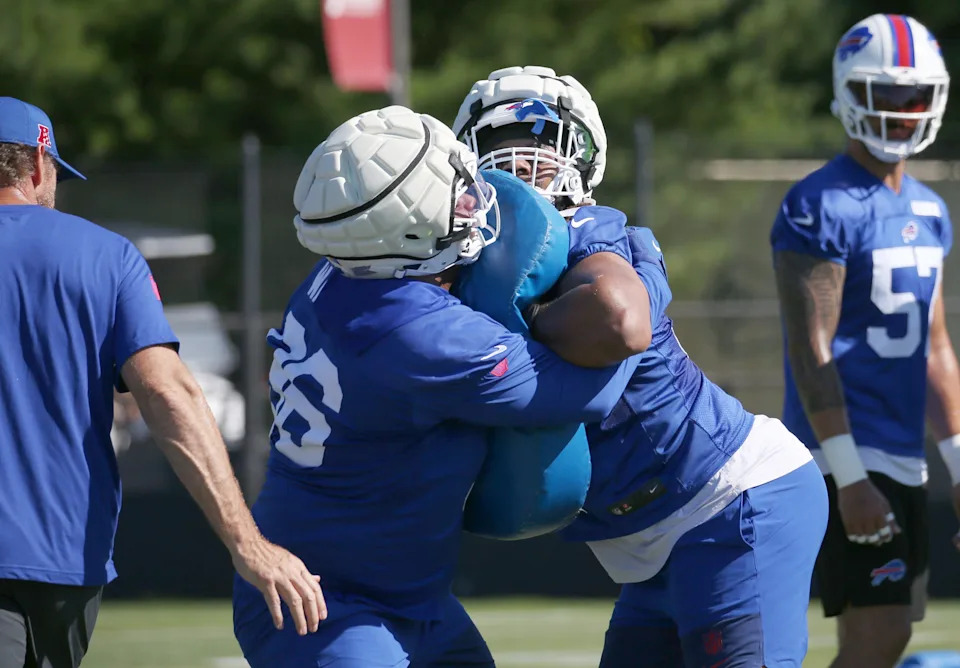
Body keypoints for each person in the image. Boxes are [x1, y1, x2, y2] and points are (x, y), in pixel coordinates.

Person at [231, 105, 644, 667]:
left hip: (406, 594)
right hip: (331, 606)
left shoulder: (341, 271)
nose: (475, 197)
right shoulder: (417, 332)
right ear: (403, 228)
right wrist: (644, 281)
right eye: (454, 191)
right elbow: (586, 389)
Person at [453, 66, 829, 667]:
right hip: (645, 540)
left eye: (543, 151)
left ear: (582, 163)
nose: (522, 166)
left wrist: (512, 325)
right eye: (501, 151)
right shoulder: (464, 273)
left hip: (729, 500)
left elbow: (620, 321)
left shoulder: (591, 233)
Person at [0, 96, 324, 668]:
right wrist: (247, 545)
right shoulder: (105, 257)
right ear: (34, 166)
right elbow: (167, 392)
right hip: (63, 560)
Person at [770, 14, 960, 668]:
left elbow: (934, 348)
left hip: (903, 451)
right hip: (843, 451)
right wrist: (848, 474)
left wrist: (958, 461)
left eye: (915, 97)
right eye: (886, 94)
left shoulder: (932, 210)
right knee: (877, 632)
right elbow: (809, 349)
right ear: (851, 92)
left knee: (893, 631)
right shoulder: (818, 204)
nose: (903, 113)